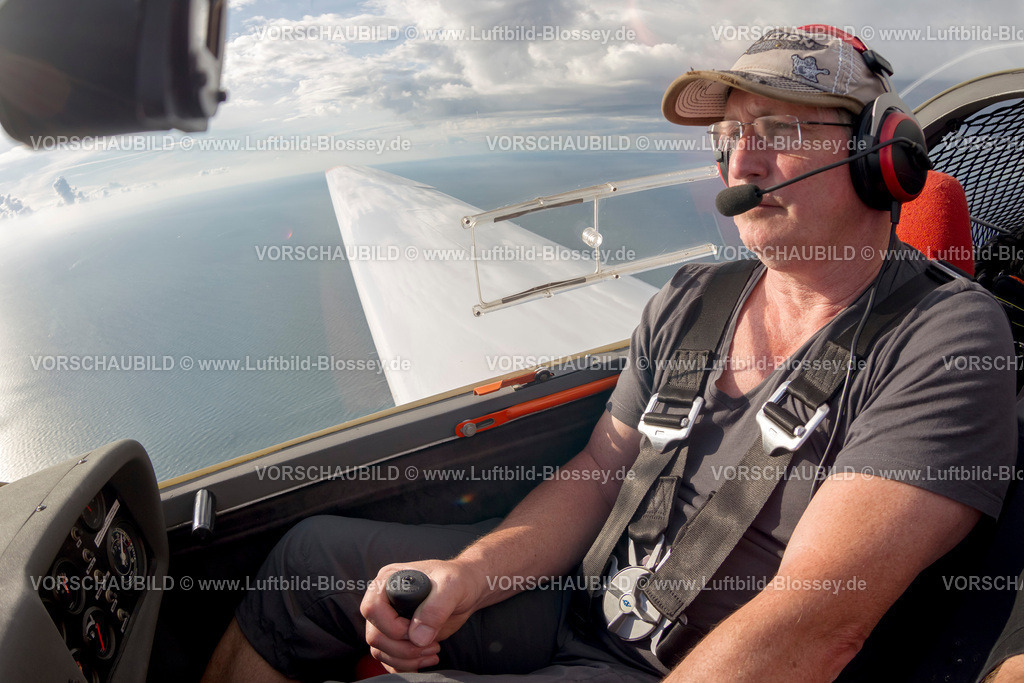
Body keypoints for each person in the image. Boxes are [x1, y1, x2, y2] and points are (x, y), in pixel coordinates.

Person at [204, 26, 1017, 682]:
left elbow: (816, 620)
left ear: (886, 157)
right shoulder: (694, 294)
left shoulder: (946, 337)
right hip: (585, 603)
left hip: (688, 662)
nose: (742, 161)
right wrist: (473, 576)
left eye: (781, 130)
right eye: (732, 134)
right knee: (309, 561)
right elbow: (596, 475)